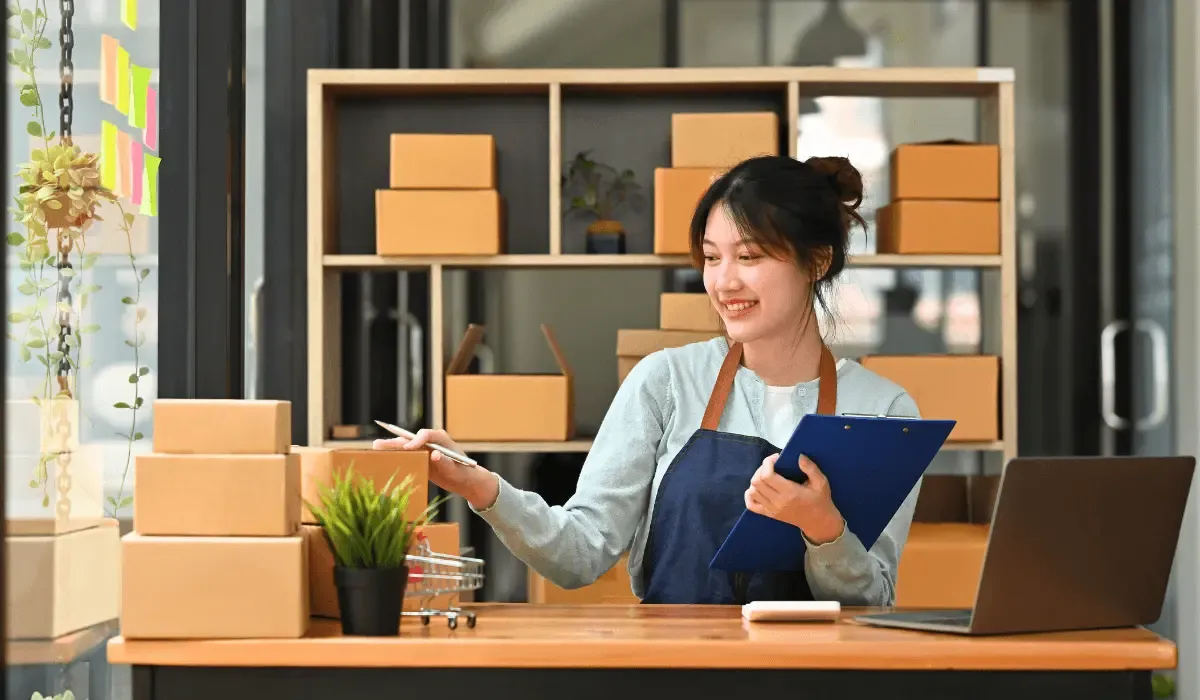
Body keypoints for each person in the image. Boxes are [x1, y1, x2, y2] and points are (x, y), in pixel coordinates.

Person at [375, 154, 922, 606]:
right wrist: (478, 485)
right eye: (711, 257)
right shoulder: (666, 381)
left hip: (818, 683)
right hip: (674, 674)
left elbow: (874, 598)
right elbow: (580, 553)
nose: (724, 280)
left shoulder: (884, 411)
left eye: (750, 256)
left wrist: (823, 527)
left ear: (818, 261)